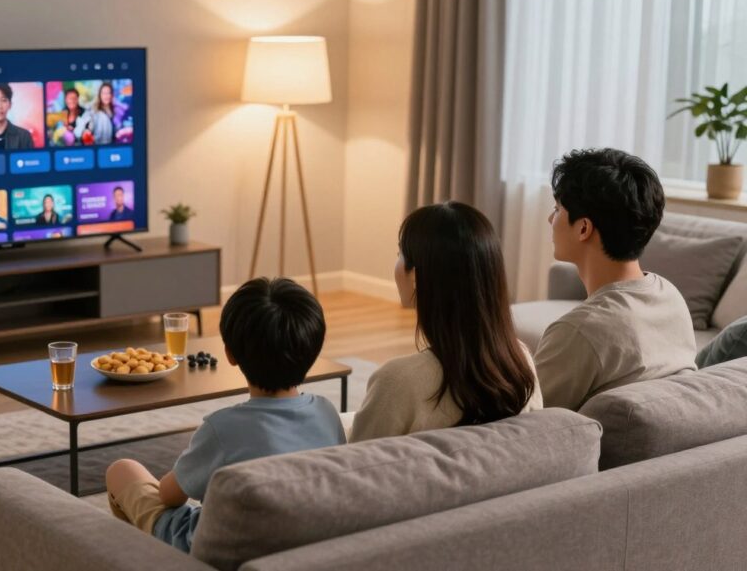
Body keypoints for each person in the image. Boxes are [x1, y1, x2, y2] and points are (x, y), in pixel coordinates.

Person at [105, 277, 345, 553]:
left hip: (211, 546)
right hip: (291, 539)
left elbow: (169, 496)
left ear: (230, 354)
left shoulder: (223, 429)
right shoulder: (327, 412)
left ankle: (141, 557)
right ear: (313, 350)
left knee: (123, 470)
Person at [350, 202, 542, 441]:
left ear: (417, 276)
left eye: (400, 255)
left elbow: (355, 463)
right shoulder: (521, 362)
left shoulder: (397, 382)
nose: (397, 263)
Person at [534, 148, 696, 410]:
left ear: (583, 228)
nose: (550, 218)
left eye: (557, 209)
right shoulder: (670, 295)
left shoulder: (579, 331)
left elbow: (521, 425)